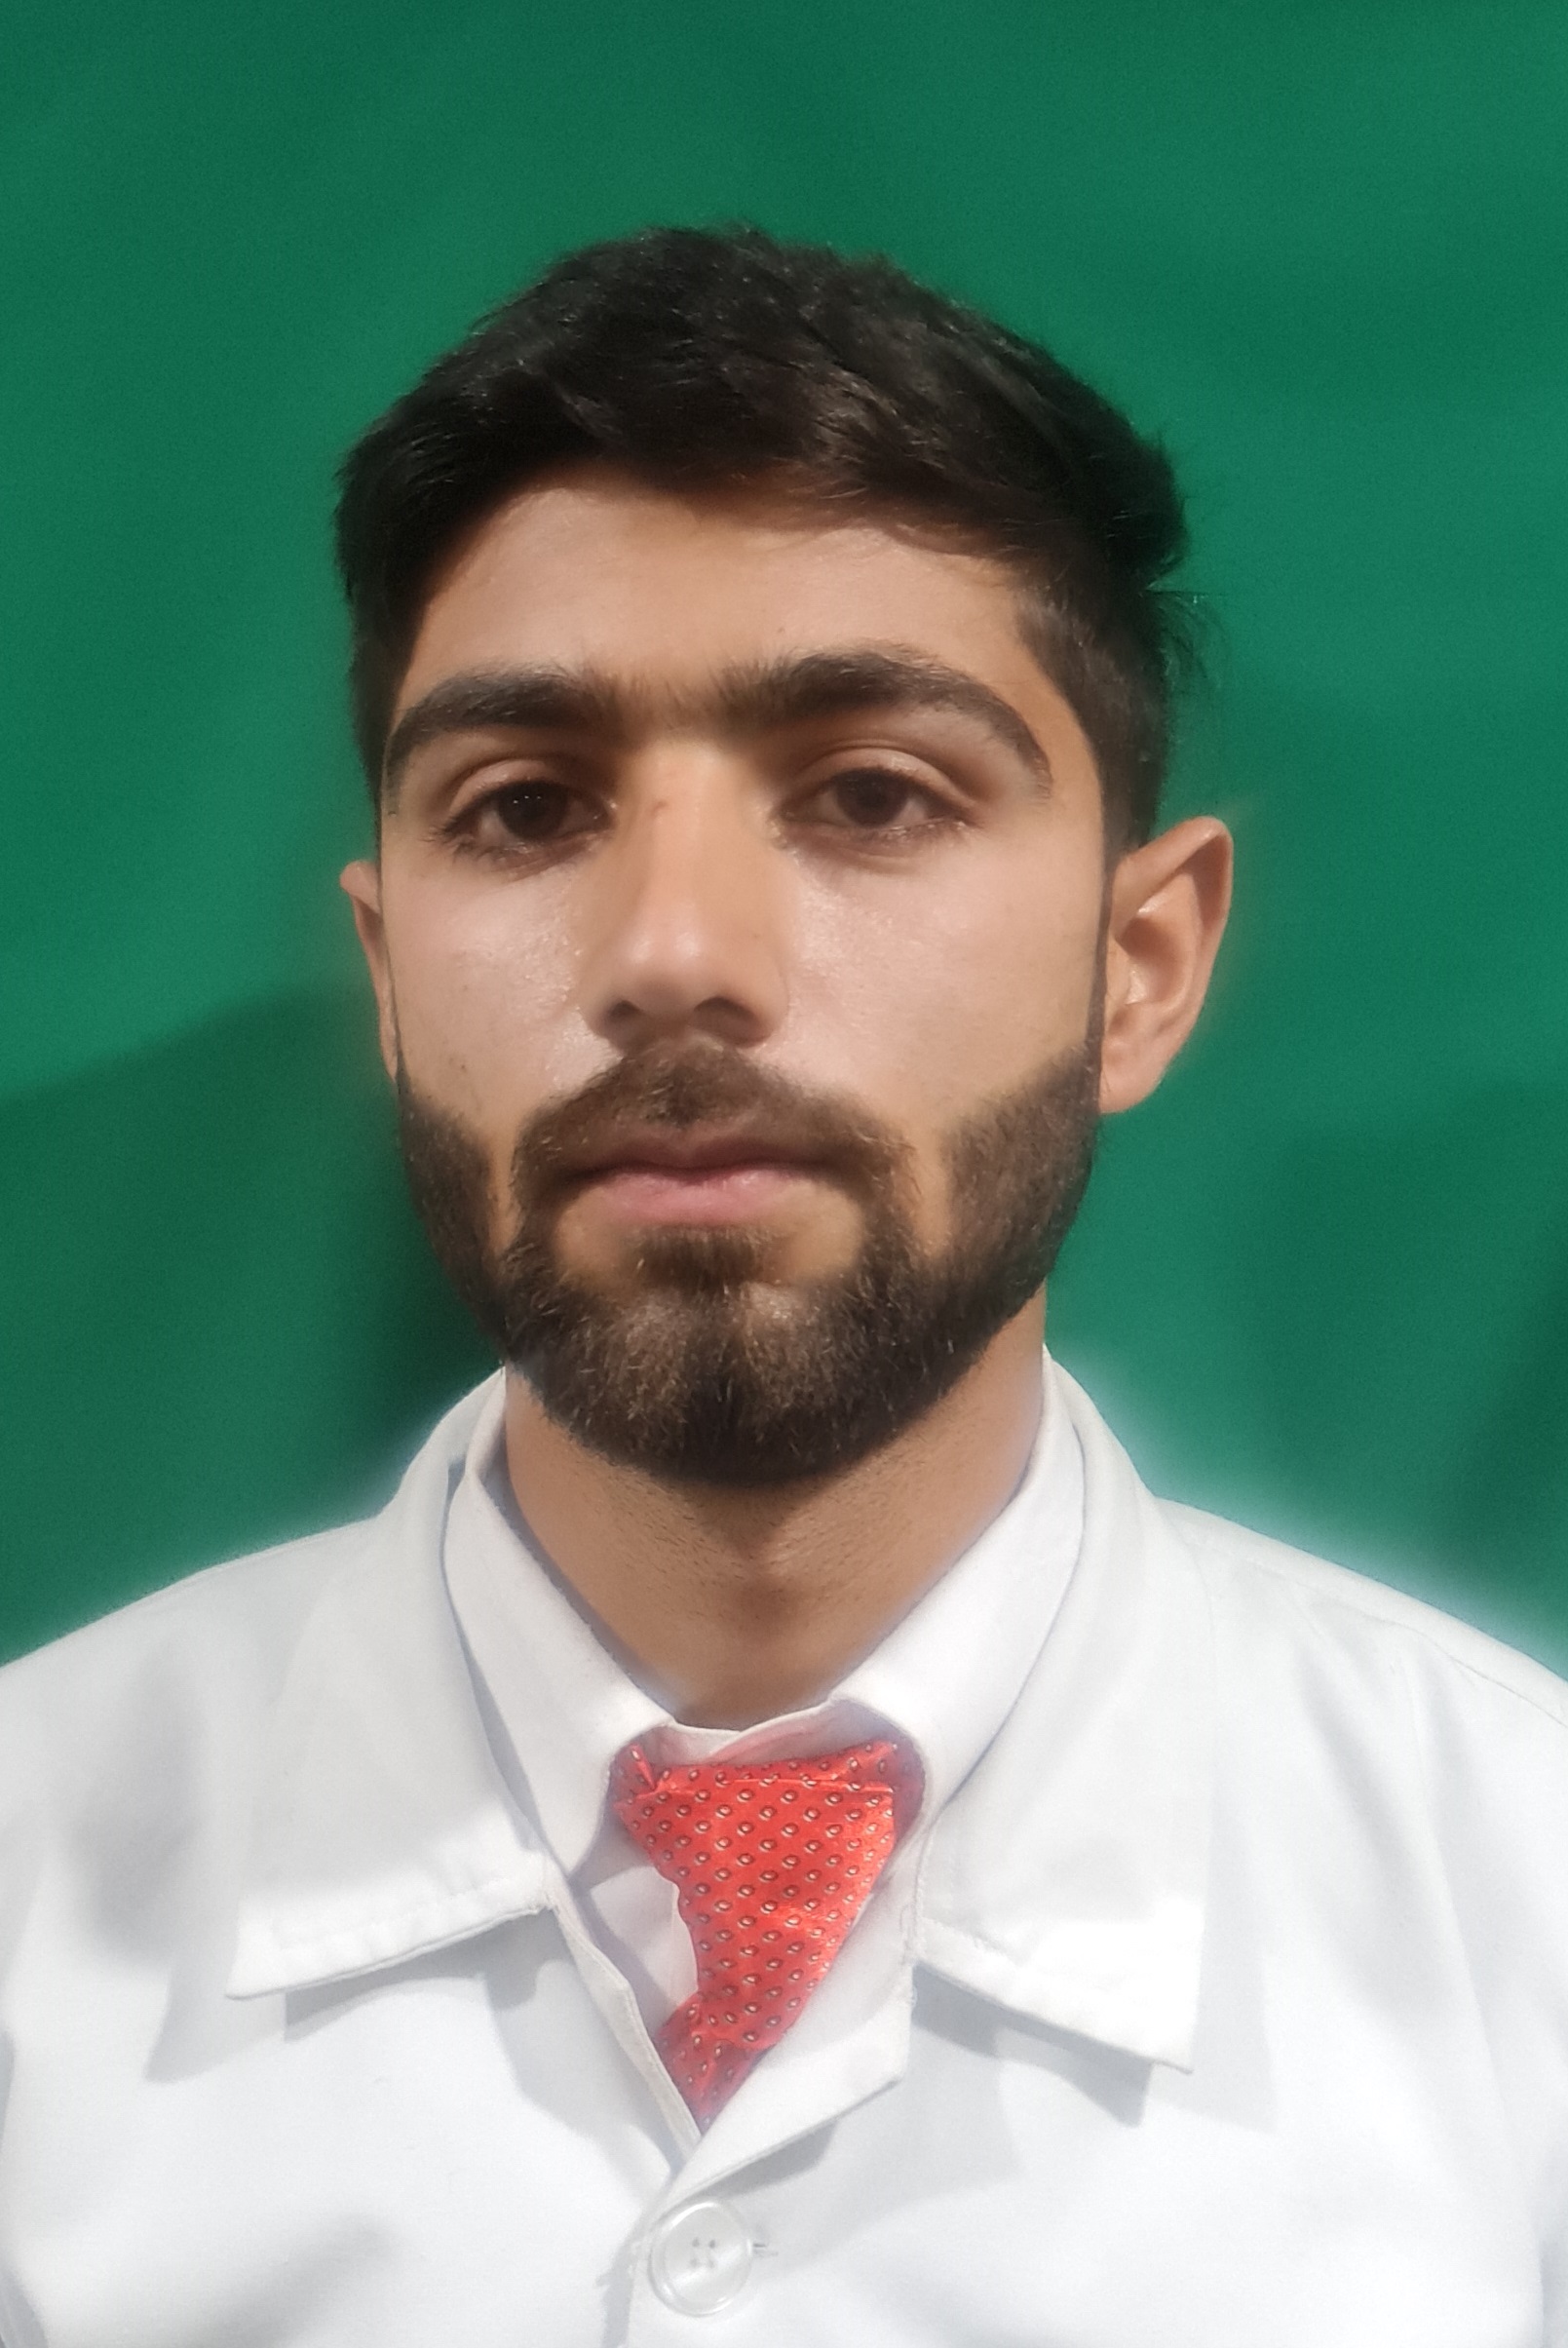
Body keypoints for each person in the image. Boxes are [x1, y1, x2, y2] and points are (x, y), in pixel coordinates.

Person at [1, 225, 1564, 2348]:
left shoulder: (1523, 1897)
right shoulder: (29, 1884)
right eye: (524, 808)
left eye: (870, 793)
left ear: (1139, 967)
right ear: (386, 972)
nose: (673, 954)